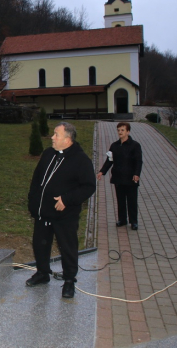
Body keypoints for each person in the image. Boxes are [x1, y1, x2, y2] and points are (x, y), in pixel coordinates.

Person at [27, 122, 96, 298]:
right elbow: (37, 179)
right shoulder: (48, 153)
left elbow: (88, 186)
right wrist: (33, 200)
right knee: (40, 244)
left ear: (67, 139)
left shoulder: (81, 160)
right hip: (43, 212)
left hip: (64, 215)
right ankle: (43, 273)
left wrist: (67, 199)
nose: (52, 137)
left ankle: (69, 281)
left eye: (56, 134)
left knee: (68, 247)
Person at [97, 122, 143, 231]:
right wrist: (102, 172)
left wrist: (137, 174)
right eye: (118, 130)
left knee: (132, 200)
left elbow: (139, 161)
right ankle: (122, 220)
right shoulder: (114, 145)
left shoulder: (135, 145)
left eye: (122, 130)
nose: (120, 132)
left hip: (131, 177)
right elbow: (109, 160)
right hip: (118, 177)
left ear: (128, 131)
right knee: (120, 200)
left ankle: (134, 221)